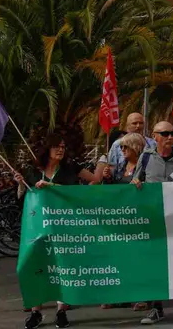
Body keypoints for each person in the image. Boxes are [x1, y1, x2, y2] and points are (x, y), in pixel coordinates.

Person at [15, 134, 99, 329]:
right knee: (37, 266)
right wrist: (20, 183)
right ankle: (36, 312)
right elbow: (23, 200)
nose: (60, 150)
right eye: (56, 147)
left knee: (63, 266)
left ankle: (61, 310)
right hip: (37, 229)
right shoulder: (33, 171)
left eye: (63, 146)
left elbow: (95, 181)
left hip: (65, 226)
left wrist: (64, 191)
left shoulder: (71, 168)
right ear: (47, 149)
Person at [131, 121, 173, 326]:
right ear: (155, 136)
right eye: (165, 133)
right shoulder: (145, 159)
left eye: (172, 133)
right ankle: (157, 308)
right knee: (156, 264)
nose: (171, 137)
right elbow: (135, 183)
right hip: (154, 220)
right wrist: (136, 183)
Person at [107, 113, 156, 178]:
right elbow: (112, 166)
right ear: (127, 125)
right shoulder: (117, 144)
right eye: (134, 123)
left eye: (141, 123)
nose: (138, 126)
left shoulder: (153, 143)